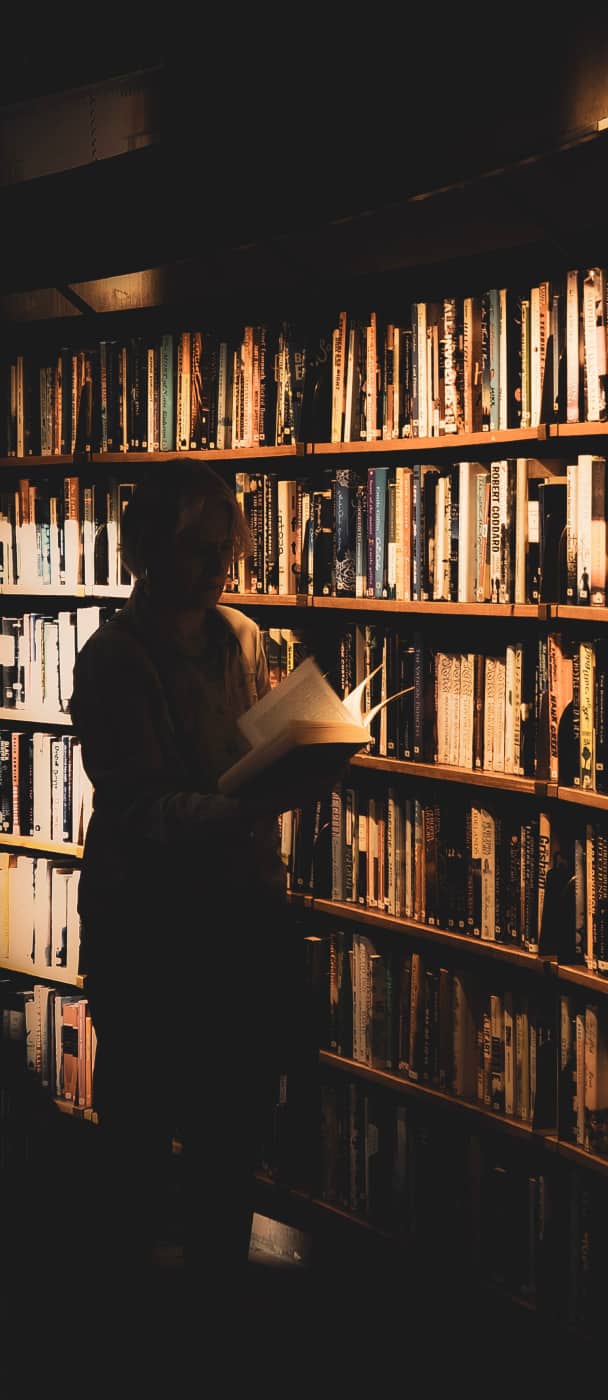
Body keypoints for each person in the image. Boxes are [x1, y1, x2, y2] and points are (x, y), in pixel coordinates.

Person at [69, 461, 311, 1293]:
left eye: (226, 549)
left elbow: (244, 753)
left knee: (233, 1133)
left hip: (240, 919)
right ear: (149, 552)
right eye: (201, 552)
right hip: (149, 927)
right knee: (138, 1131)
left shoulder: (241, 636)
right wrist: (243, 809)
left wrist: (296, 758)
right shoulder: (112, 660)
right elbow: (137, 807)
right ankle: (124, 1316)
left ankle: (217, 1306)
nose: (219, 569)